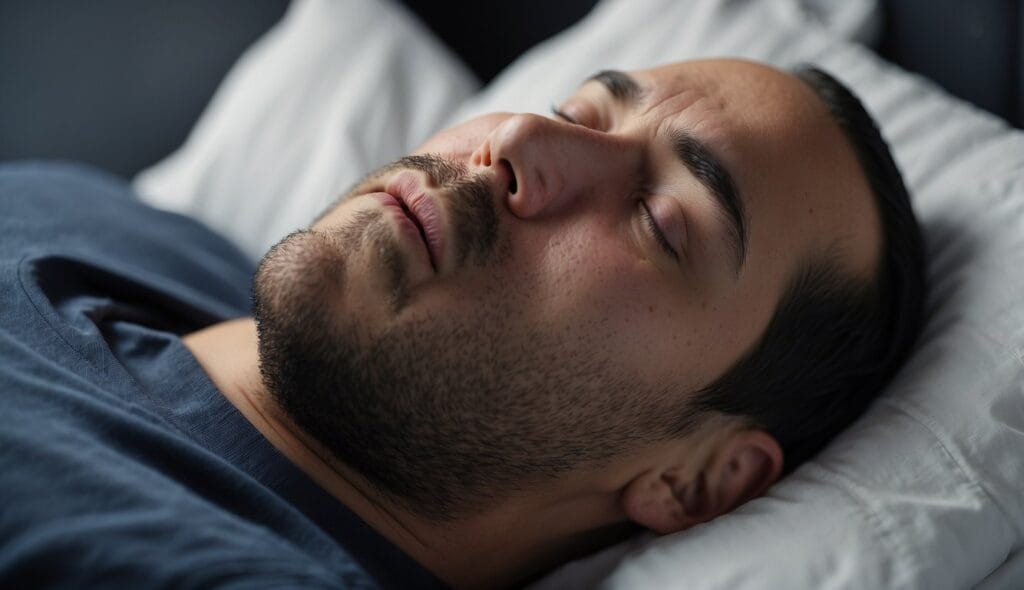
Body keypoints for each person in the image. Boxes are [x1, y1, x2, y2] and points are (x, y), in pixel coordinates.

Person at [0, 59, 925, 589]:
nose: (519, 141)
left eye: (659, 219)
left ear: (694, 480)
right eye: (580, 111)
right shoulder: (128, 230)